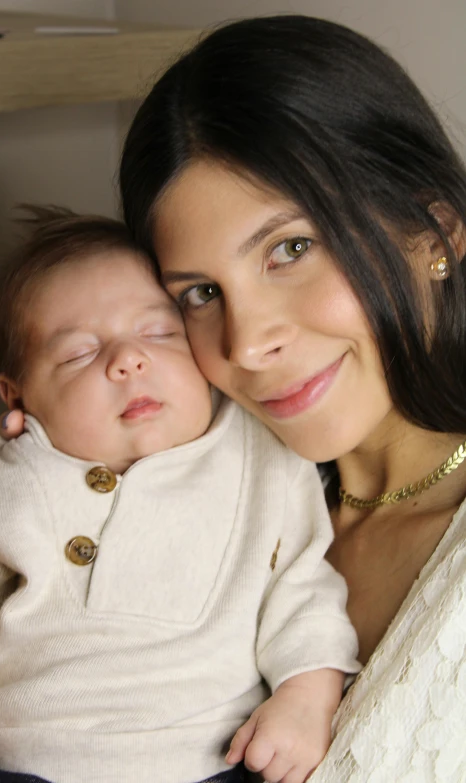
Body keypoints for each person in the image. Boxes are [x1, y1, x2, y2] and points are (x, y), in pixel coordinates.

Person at [115, 14, 466, 782]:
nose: (245, 343)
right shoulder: (208, 502)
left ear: (434, 234)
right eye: (202, 292)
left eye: (291, 249)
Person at [0, 206, 360, 783]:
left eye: (160, 333)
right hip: (22, 766)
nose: (128, 360)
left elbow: (302, 589)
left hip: (209, 762)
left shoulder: (260, 453)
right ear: (16, 397)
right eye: (78, 354)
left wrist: (306, 697)